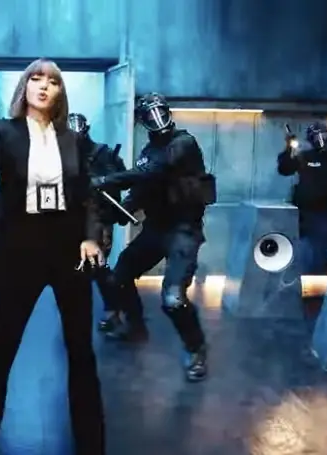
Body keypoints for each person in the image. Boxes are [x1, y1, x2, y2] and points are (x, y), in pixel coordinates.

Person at [0, 58, 106, 455]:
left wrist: (91, 238)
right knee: (3, 349)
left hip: (68, 249)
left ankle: (93, 446)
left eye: (52, 81)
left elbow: (87, 194)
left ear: (60, 92)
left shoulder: (73, 139)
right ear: (24, 88)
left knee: (81, 353)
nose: (43, 86)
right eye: (35, 79)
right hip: (22, 250)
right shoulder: (4, 131)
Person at [91, 92, 214, 383]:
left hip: (183, 231)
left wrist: (103, 180)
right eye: (150, 116)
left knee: (173, 299)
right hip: (156, 229)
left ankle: (196, 349)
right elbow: (140, 189)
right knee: (118, 277)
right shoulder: (148, 150)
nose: (157, 120)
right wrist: (121, 210)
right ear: (143, 121)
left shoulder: (183, 143)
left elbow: (152, 171)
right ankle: (135, 326)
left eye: (160, 112)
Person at [66, 112, 129, 333]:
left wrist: (102, 181)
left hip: (100, 217)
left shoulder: (104, 153)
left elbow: (122, 179)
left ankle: (114, 311)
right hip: (75, 219)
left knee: (97, 266)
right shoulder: (66, 154)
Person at [276, 122, 327, 274]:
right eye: (318, 136)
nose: (322, 139)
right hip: (305, 211)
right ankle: (307, 274)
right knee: (306, 246)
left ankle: (324, 273)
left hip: (326, 210)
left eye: (324, 135)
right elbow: (285, 168)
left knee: (325, 245)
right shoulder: (305, 156)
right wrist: (288, 148)